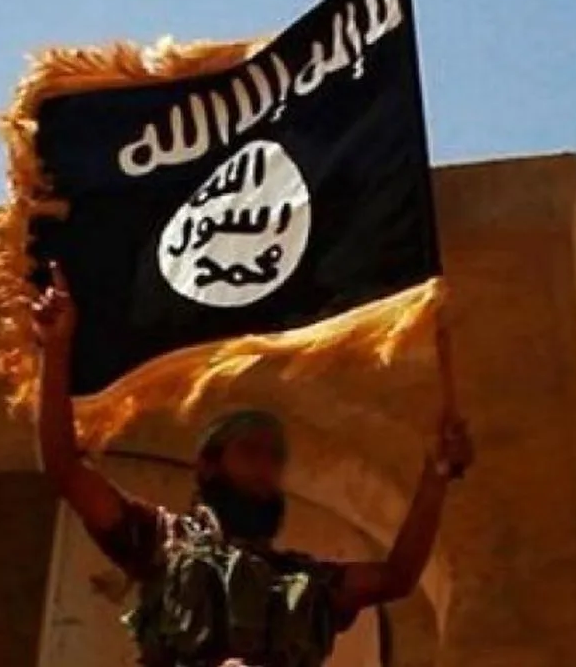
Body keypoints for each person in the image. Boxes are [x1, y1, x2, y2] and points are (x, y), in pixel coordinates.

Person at [32, 262, 474, 667]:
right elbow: (65, 469)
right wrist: (56, 349)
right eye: (249, 452)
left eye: (274, 457)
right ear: (209, 466)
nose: (265, 468)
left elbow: (396, 577)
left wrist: (435, 475)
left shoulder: (303, 580)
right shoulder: (161, 541)